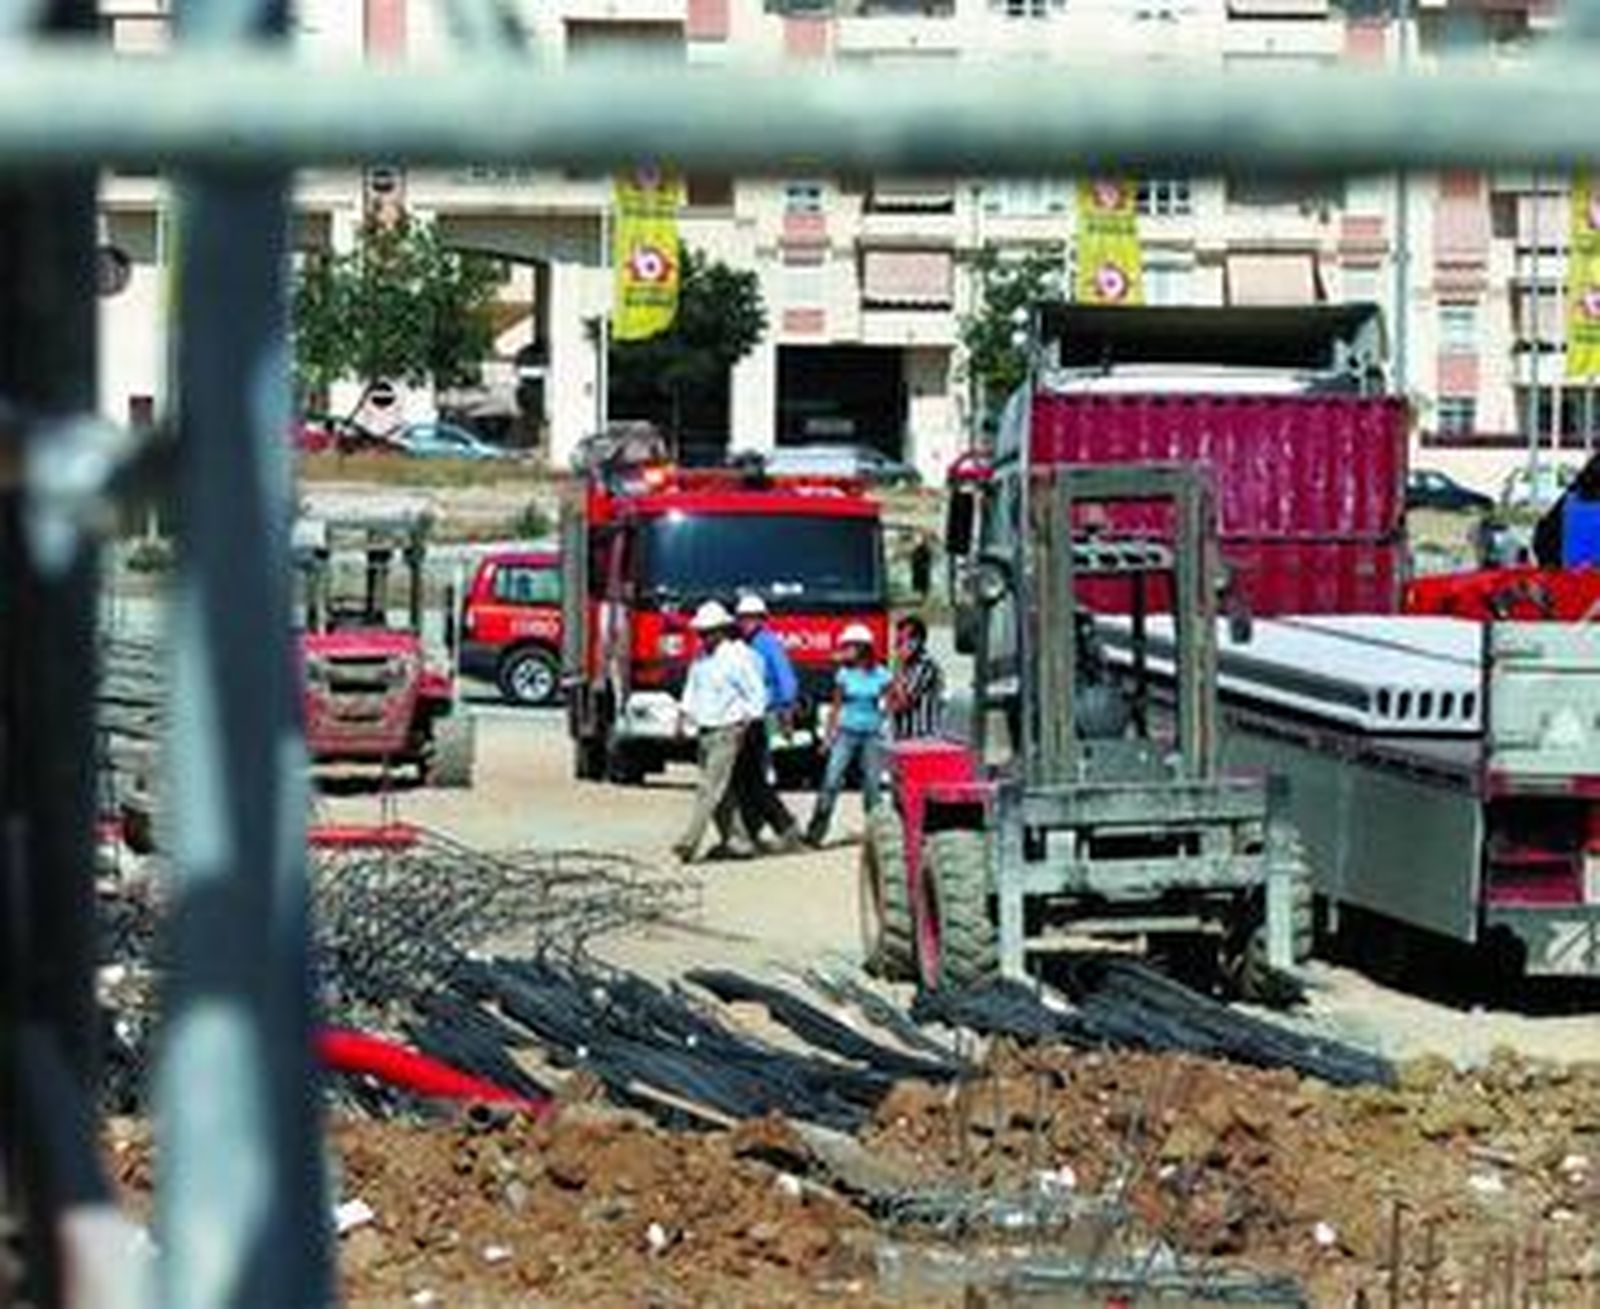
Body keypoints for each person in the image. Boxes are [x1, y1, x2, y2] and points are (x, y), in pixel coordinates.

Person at [672, 600, 766, 863]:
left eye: (707, 631)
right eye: (701, 632)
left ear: (721, 631)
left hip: (728, 730)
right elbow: (692, 689)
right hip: (705, 729)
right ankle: (739, 842)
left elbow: (756, 692)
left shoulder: (738, 657)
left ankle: (689, 841)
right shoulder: (701, 658)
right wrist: (682, 718)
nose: (703, 637)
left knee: (708, 788)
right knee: (721, 791)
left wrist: (748, 721)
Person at [805, 624, 891, 848]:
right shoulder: (843, 674)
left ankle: (876, 834)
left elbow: (892, 702)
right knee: (831, 780)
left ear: (862, 648)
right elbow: (836, 707)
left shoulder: (882, 675)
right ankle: (816, 832)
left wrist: (887, 723)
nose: (845, 649)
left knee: (872, 786)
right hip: (846, 733)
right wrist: (828, 737)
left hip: (872, 735)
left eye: (849, 646)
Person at [731, 593, 804, 852]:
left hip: (763, 715)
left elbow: (786, 678)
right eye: (742, 618)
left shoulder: (768, 643)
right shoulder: (743, 644)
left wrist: (786, 708)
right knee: (747, 778)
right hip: (744, 715)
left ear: (762, 620)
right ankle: (752, 832)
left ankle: (783, 827)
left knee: (750, 777)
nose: (746, 623)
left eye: (751, 618)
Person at [887, 614, 944, 740]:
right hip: (902, 735)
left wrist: (899, 668)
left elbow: (904, 702)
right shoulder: (903, 666)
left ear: (917, 641)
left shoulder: (926, 665)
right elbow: (889, 702)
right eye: (898, 641)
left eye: (902, 641)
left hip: (922, 737)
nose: (897, 647)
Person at [909, 532, 934, 604]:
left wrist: (924, 565)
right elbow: (914, 558)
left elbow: (928, 560)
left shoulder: (925, 550)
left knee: (923, 585)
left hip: (922, 570)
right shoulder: (918, 549)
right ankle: (922, 598)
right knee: (921, 585)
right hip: (919, 569)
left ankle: (923, 598)